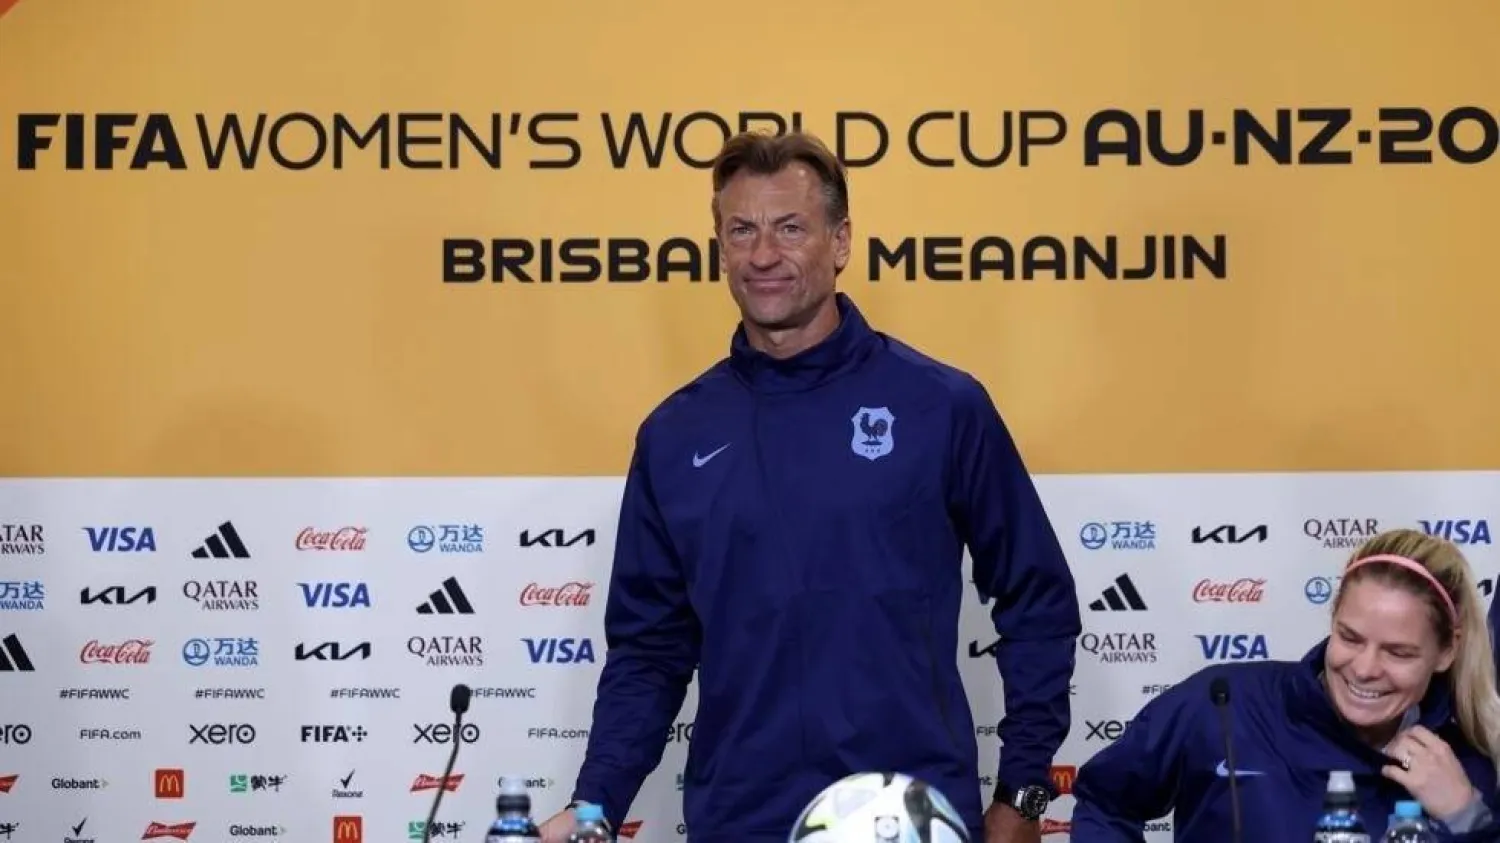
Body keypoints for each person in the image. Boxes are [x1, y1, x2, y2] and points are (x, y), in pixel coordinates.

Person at [537, 130, 1082, 843]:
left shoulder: (941, 406)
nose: (764, 254)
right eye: (742, 231)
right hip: (740, 823)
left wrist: (1025, 791)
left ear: (841, 240)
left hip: (912, 818)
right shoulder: (674, 435)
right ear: (720, 246)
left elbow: (1037, 598)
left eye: (790, 227)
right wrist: (594, 804)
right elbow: (649, 650)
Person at [1070, 528, 1500, 842]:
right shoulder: (1225, 703)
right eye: (1349, 638)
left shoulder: (1469, 765)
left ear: (1446, 651)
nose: (1365, 668)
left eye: (1398, 652)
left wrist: (1467, 819)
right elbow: (1106, 802)